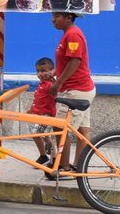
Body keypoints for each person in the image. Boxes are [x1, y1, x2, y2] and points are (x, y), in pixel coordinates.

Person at [49, 11, 96, 175]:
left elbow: (76, 61)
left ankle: (64, 168)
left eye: (57, 15)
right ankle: (78, 166)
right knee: (83, 130)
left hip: (76, 91)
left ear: (69, 17)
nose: (53, 19)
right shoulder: (68, 34)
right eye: (52, 15)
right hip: (82, 88)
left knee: (60, 129)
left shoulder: (73, 34)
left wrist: (58, 82)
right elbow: (68, 60)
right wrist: (55, 72)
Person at [29, 56, 56, 166]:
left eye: (43, 71)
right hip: (39, 114)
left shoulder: (50, 84)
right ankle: (48, 154)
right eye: (38, 71)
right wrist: (31, 110)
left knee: (35, 133)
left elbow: (54, 94)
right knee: (43, 134)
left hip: (46, 115)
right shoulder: (42, 84)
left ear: (51, 71)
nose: (40, 74)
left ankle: (45, 155)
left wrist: (54, 81)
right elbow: (39, 101)